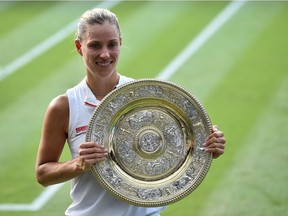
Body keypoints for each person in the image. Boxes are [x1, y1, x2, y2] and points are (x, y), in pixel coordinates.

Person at [35, 8, 226, 216]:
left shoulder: (144, 96)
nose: (105, 54)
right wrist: (78, 164)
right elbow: (43, 173)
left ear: (120, 42)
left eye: (112, 44)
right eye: (95, 45)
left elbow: (173, 145)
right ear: (79, 47)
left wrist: (207, 145)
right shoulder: (65, 106)